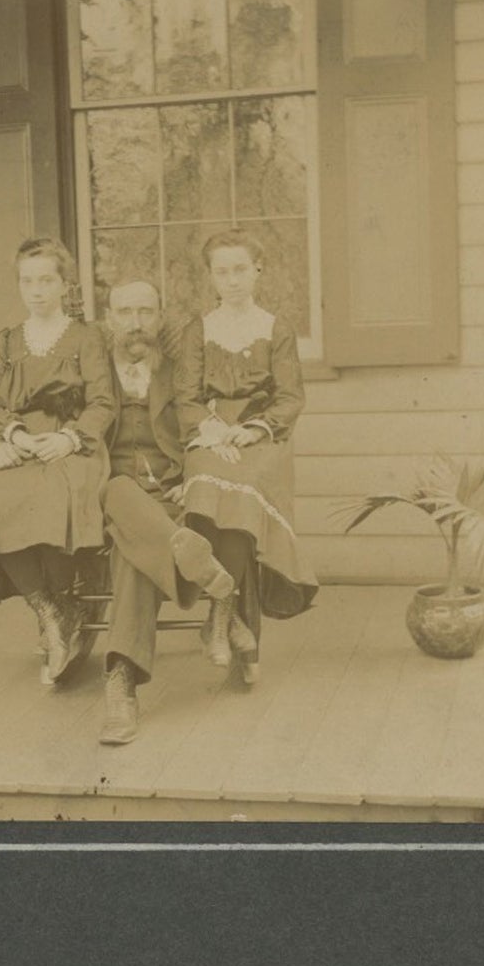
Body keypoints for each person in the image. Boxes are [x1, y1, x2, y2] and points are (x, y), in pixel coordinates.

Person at [0, 236, 117, 685]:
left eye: (47, 280)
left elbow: (103, 402)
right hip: (24, 442)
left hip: (73, 445)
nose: (37, 290)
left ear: (65, 284)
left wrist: (70, 438)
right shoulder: (7, 342)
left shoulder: (87, 338)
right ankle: (51, 608)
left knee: (57, 492)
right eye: (28, 281)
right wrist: (13, 434)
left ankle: (66, 600)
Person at [175, 229, 318, 685]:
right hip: (211, 436)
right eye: (222, 271)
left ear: (257, 271)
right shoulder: (197, 330)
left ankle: (219, 616)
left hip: (261, 439)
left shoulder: (275, 329)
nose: (232, 279)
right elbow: (186, 396)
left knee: (244, 491)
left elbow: (290, 398)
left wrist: (252, 428)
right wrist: (215, 432)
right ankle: (225, 616)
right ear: (211, 278)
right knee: (214, 485)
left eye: (240, 269)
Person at [96, 279, 235, 746]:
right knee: (119, 490)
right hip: (105, 490)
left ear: (161, 317)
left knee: (132, 556)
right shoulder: (90, 371)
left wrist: (191, 476)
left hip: (165, 495)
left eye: (146, 312)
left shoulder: (178, 371)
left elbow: (201, 423)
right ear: (108, 318)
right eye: (124, 313)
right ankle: (208, 576)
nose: (135, 324)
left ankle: (121, 681)